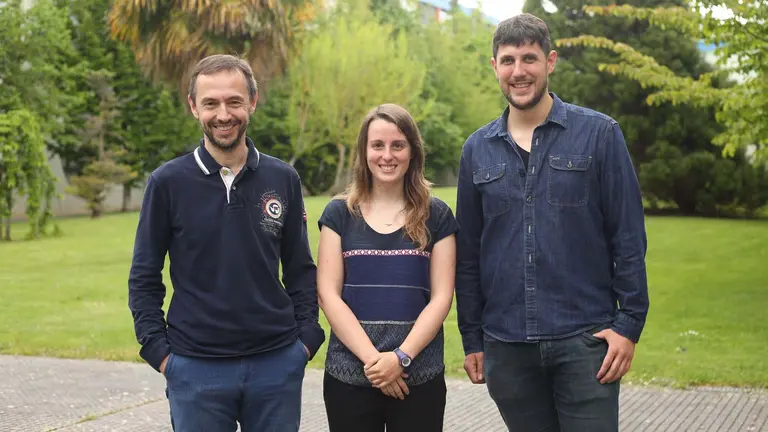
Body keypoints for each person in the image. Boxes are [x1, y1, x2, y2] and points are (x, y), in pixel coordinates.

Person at [454, 13, 650, 432]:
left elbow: (628, 237)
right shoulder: (476, 150)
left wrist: (628, 326)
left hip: (585, 341)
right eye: (508, 61)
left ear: (551, 61)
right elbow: (467, 254)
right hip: (507, 347)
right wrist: (472, 337)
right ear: (494, 67)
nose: (519, 71)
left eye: (529, 58)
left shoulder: (599, 134)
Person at [127, 54, 325, 432]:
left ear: (252, 102)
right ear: (193, 107)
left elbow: (300, 268)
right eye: (211, 103)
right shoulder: (167, 183)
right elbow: (144, 275)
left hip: (276, 364)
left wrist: (306, 340)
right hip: (194, 367)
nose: (223, 114)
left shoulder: (283, 178)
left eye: (234, 101)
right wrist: (158, 351)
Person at [316, 103, 458, 432]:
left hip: (418, 378)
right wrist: (375, 363)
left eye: (398, 145)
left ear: (413, 151)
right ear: (364, 151)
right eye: (377, 145)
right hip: (349, 378)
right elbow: (328, 295)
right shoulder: (338, 214)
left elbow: (441, 298)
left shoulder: (437, 215)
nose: (387, 155)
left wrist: (400, 358)